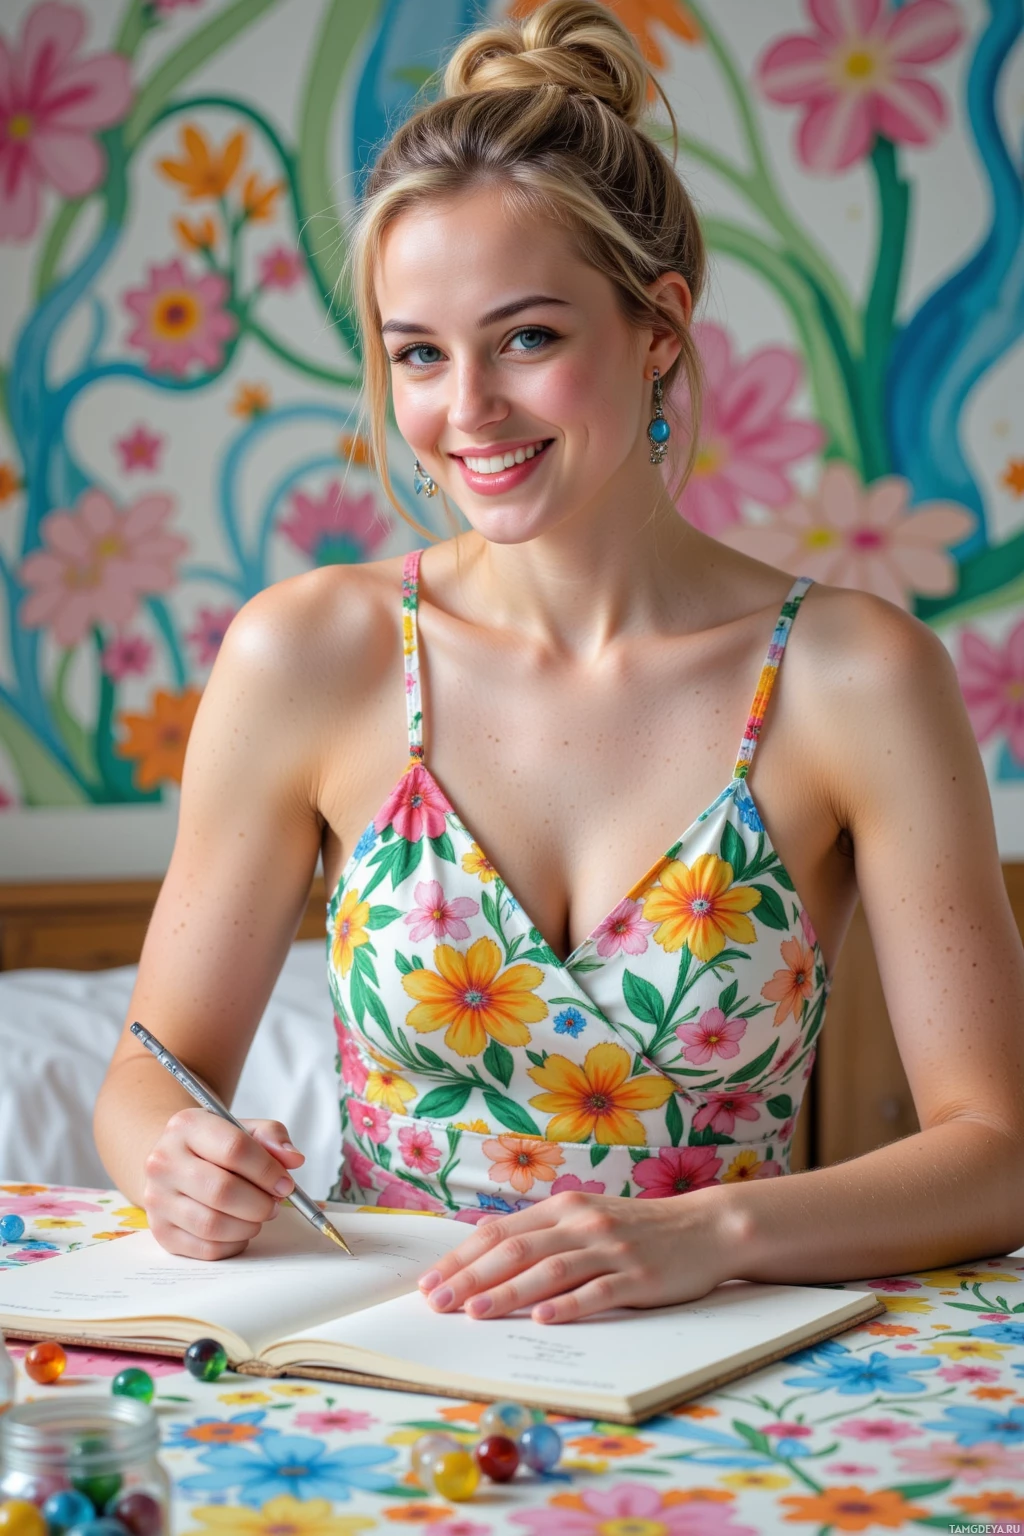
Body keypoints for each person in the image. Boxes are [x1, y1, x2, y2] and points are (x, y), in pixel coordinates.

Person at [94, 0, 1024, 1326]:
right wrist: (170, 1163)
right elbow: (150, 1076)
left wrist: (703, 1235)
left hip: (716, 1371)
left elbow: (1001, 1153)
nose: (465, 410)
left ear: (657, 328)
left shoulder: (856, 677)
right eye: (420, 353)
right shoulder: (307, 654)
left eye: (526, 338)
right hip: (387, 1366)